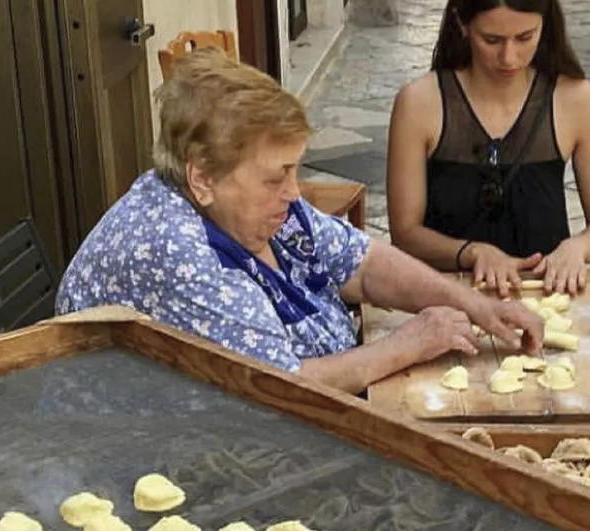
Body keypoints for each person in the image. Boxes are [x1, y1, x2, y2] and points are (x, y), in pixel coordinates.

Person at [56, 51, 541, 391]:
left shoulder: (245, 203)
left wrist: (473, 305)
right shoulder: (177, 251)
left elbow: (363, 263)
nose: (293, 192)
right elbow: (277, 385)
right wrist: (406, 345)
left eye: (294, 169)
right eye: (276, 177)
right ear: (201, 178)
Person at [386, 0, 590, 296]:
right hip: (447, 296)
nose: (509, 57)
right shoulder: (420, 103)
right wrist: (471, 253)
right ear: (461, 25)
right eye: (491, 39)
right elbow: (406, 233)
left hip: (545, 296)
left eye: (525, 37)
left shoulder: (577, 100)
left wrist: (577, 248)